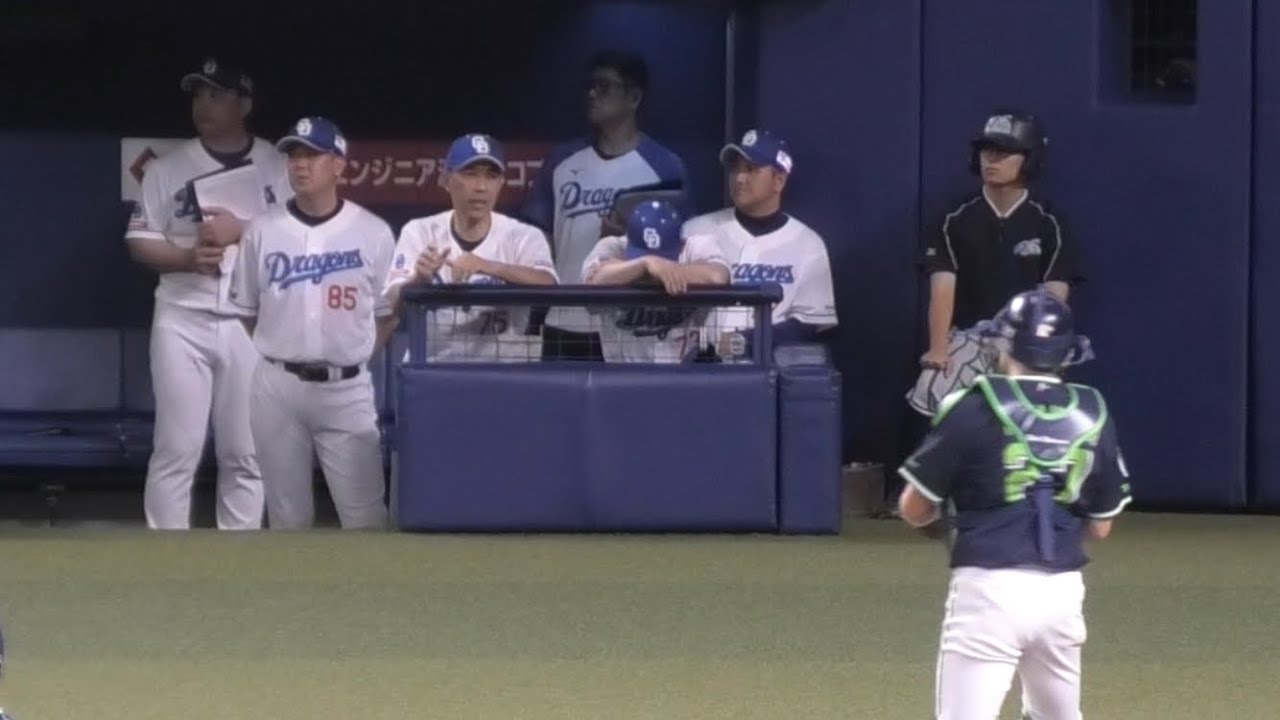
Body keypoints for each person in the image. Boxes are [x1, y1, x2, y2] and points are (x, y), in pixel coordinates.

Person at [896, 289, 1131, 720]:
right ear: (1067, 354)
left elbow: (913, 507)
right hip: (1061, 591)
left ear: (1004, 345)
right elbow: (1101, 526)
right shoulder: (1093, 412)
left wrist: (942, 524)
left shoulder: (971, 406)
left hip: (987, 587)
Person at [124, 57, 287, 530]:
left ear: (245, 104)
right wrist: (187, 258)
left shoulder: (277, 164)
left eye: (216, 95)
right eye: (199, 95)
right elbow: (139, 240)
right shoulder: (168, 168)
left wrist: (244, 230)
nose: (204, 105)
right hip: (182, 318)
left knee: (246, 452)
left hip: (250, 322)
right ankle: (165, 556)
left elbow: (301, 235)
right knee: (176, 448)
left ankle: (239, 556)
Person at [229, 117, 396, 530]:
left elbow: (388, 314)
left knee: (366, 520)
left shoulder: (373, 232)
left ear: (338, 164)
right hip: (277, 386)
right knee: (287, 519)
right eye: (293, 155)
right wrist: (284, 349)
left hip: (346, 389)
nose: (300, 165)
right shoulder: (261, 230)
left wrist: (352, 357)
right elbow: (247, 309)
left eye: (312, 155)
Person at [521, 50, 690, 361]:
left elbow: (680, 251)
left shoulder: (665, 166)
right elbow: (539, 243)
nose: (592, 94)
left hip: (630, 323)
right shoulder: (561, 161)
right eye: (591, 86)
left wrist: (625, 243)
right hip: (565, 318)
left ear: (634, 97)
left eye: (604, 86)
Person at [384, 133, 557, 362]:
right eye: (470, 174)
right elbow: (390, 308)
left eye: (491, 176)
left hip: (505, 372)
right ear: (445, 180)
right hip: (433, 370)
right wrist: (419, 280)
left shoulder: (523, 236)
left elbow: (548, 284)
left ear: (501, 183)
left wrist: (487, 266)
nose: (481, 187)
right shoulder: (420, 231)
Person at [682, 129, 837, 361]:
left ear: (779, 180)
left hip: (768, 368)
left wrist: (746, 341)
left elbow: (809, 324)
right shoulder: (696, 231)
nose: (739, 178)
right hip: (699, 366)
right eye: (736, 169)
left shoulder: (808, 244)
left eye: (751, 169)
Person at [582, 199, 729, 363]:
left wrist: (661, 269)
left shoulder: (697, 245)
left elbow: (718, 277)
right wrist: (646, 264)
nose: (658, 262)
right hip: (623, 372)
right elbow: (593, 282)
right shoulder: (612, 246)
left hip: (684, 371)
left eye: (663, 255)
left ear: (681, 243)